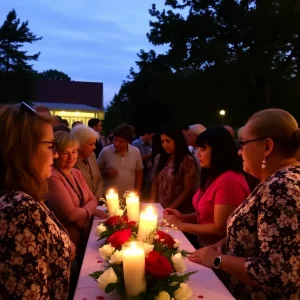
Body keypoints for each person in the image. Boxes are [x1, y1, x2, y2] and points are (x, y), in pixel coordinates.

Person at [188, 109, 300, 299]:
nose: (239, 151)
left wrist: (217, 260)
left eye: (243, 144)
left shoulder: (280, 187)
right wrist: (226, 242)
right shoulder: (277, 180)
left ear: (267, 146)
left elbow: (276, 275)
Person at [0, 103, 73, 299]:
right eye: (51, 146)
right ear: (23, 149)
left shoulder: (22, 197)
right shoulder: (20, 209)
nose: (56, 155)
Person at [165, 127, 249, 247]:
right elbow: (206, 214)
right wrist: (183, 217)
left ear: (219, 151)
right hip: (205, 246)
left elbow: (219, 228)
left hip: (218, 253)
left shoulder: (229, 181)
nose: (198, 154)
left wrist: (179, 224)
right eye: (198, 148)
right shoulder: (214, 175)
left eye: (203, 149)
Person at [46, 131, 106, 261]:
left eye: (74, 152)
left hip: (82, 235)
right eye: (65, 153)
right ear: (55, 154)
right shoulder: (53, 176)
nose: (71, 157)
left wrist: (84, 214)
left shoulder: (76, 173)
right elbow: (71, 214)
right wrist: (86, 212)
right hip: (66, 240)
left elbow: (93, 200)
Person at [151, 124, 197, 213]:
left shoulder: (187, 160)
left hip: (178, 209)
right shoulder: (160, 157)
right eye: (162, 142)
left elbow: (187, 190)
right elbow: (155, 183)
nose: (165, 145)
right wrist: (153, 204)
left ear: (177, 140)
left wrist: (171, 208)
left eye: (168, 141)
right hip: (160, 207)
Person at [97, 123, 143, 197]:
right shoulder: (105, 151)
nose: (116, 144)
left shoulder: (136, 152)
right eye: (115, 140)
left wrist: (137, 191)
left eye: (121, 142)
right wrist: (106, 173)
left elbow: (139, 173)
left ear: (128, 142)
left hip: (129, 198)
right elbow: (95, 171)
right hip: (109, 198)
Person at [71, 125, 104, 201]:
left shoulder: (92, 156)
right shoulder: (71, 162)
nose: (94, 147)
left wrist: (97, 196)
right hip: (82, 204)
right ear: (79, 145)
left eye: (94, 144)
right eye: (91, 144)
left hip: (96, 202)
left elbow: (99, 179)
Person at [132, 130, 154, 199]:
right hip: (139, 171)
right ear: (146, 134)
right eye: (151, 136)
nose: (151, 138)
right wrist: (149, 155)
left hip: (148, 171)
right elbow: (135, 160)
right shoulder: (136, 144)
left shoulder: (149, 144)